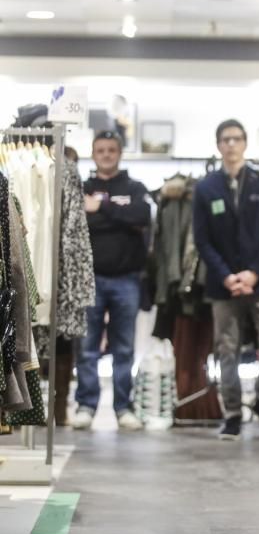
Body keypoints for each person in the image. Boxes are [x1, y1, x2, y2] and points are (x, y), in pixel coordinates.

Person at [192, 119, 259, 440]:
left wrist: (253, 273)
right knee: (226, 347)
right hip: (223, 282)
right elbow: (202, 241)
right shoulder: (206, 187)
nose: (231, 145)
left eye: (236, 139)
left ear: (245, 143)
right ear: (218, 145)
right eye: (225, 140)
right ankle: (231, 411)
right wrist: (228, 276)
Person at [72, 130, 150, 431]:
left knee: (124, 349)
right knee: (87, 346)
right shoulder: (82, 187)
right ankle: (86, 405)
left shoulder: (135, 187)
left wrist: (102, 208)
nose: (106, 154)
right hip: (89, 280)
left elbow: (141, 216)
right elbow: (80, 222)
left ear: (119, 153)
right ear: (94, 153)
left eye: (111, 149)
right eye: (101, 150)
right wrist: (120, 217)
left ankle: (123, 407)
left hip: (127, 280)